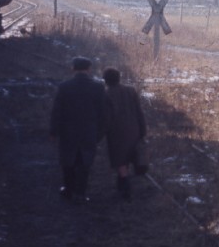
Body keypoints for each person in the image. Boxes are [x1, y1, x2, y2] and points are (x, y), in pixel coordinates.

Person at [49, 56, 107, 203]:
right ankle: (80, 193)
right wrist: (99, 133)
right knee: (84, 163)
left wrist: (54, 131)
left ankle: (68, 190)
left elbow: (57, 111)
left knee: (67, 161)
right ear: (89, 69)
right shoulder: (98, 87)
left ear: (73, 69)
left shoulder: (64, 86)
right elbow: (103, 113)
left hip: (68, 131)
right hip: (89, 131)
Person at [102, 66, 147, 201]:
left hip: (116, 132)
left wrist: (100, 133)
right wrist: (142, 129)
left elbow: (106, 117)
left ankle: (125, 189)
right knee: (132, 154)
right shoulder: (130, 91)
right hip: (134, 129)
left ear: (106, 80)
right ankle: (124, 186)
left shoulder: (106, 94)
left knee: (120, 160)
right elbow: (139, 112)